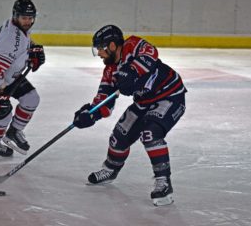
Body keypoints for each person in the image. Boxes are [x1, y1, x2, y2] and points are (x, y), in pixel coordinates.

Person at [72, 24, 187, 206]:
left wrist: (132, 71)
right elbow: (105, 102)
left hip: (170, 96)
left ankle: (164, 182)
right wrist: (90, 114)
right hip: (144, 103)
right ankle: (110, 169)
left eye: (100, 49)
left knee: (150, 134)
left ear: (111, 45)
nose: (99, 54)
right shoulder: (110, 71)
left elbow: (151, 53)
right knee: (119, 136)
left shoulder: (132, 45)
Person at [0, 0, 45, 156]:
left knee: (31, 99)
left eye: (30, 18)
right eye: (24, 18)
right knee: (3, 114)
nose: (28, 21)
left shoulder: (16, 27)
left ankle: (14, 131)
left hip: (7, 74)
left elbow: (20, 45)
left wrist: (32, 49)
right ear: (16, 16)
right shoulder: (11, 39)